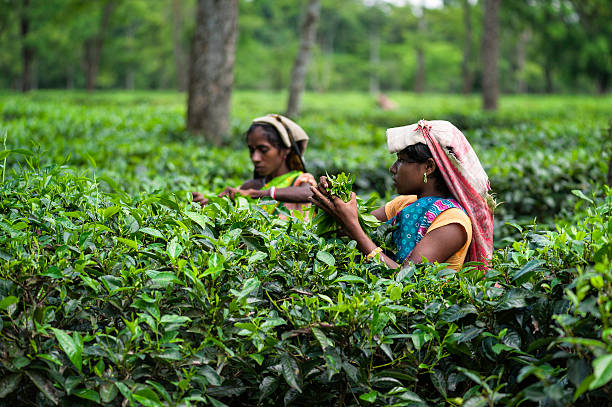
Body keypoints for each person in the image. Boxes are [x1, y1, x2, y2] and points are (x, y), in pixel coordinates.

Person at [310, 119, 494, 271]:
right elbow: (349, 227)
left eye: (401, 160)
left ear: (428, 167)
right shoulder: (405, 203)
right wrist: (333, 197)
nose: (393, 169)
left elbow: (406, 278)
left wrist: (352, 225)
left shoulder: (453, 222)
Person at [192, 114, 316, 217]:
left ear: (285, 150)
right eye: (252, 150)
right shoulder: (251, 186)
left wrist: (258, 194)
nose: (255, 158)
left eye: (263, 149)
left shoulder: (300, 181)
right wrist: (206, 203)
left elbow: (310, 193)